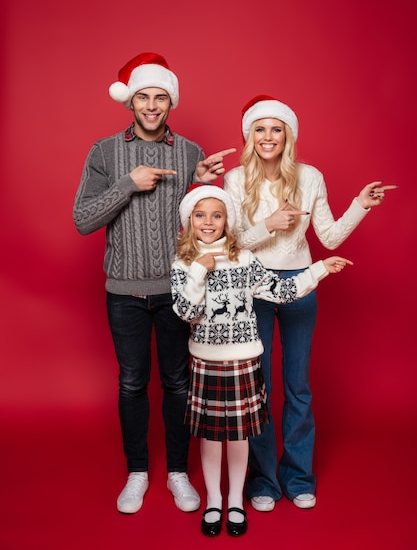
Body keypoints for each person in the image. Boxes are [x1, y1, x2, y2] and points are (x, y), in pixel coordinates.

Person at [73, 52, 236, 514]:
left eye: (159, 97)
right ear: (130, 102)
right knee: (131, 382)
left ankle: (179, 474)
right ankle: (138, 473)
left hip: (177, 290)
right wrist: (127, 183)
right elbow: (83, 221)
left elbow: (203, 221)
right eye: (142, 96)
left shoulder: (189, 153)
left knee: (179, 382)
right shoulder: (104, 152)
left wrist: (199, 184)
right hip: (123, 291)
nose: (150, 105)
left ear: (170, 102)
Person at [223, 95, 398, 512]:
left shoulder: (310, 177)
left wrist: (360, 205)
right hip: (252, 287)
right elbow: (231, 245)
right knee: (257, 388)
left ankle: (298, 476)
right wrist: (269, 224)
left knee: (298, 387)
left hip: (301, 284)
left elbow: (331, 237)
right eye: (260, 129)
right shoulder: (233, 180)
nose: (268, 137)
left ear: (289, 136)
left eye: (276, 129)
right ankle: (263, 481)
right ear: (250, 135)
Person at [170, 184, 352, 536]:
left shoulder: (245, 260)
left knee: (238, 437)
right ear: (189, 222)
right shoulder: (184, 264)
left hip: (242, 360)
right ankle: (213, 501)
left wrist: (318, 269)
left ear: (227, 220)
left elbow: (280, 291)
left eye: (217, 215)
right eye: (200, 215)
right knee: (210, 438)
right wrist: (198, 272)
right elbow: (186, 313)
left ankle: (236, 500)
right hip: (207, 362)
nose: (208, 222)